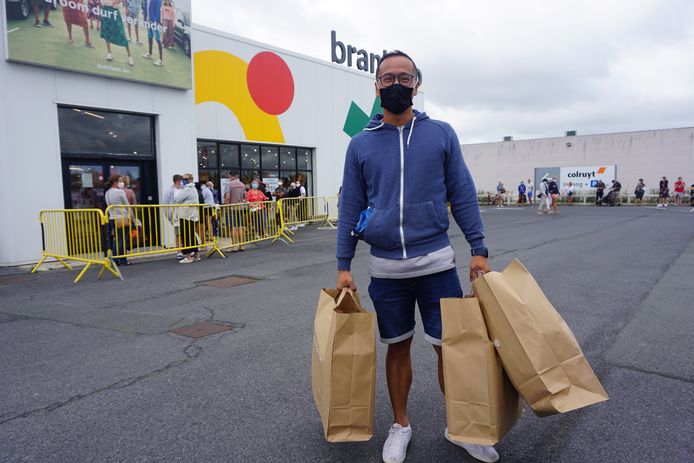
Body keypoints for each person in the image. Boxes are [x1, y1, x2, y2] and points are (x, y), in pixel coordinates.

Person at [335, 50, 495, 463]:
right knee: (398, 348)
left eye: (403, 78)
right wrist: (343, 266)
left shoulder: (440, 133)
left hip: (437, 264)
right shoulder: (361, 145)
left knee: (450, 349)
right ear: (376, 87)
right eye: (386, 79)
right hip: (386, 269)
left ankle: (462, 426)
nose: (395, 85)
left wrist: (478, 249)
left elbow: (461, 193)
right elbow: (350, 208)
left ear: (417, 84)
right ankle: (400, 425)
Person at [104, 175, 131, 266]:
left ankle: (122, 260)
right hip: (122, 218)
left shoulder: (107, 192)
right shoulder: (120, 192)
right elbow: (127, 205)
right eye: (120, 181)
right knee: (121, 239)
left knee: (118, 239)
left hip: (112, 218)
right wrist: (133, 217)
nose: (121, 183)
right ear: (115, 182)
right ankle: (116, 260)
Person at [174, 173, 199, 263]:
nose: (182, 180)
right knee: (192, 235)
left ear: (189, 179)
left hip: (185, 215)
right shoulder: (194, 188)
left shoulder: (187, 189)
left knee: (186, 236)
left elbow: (177, 199)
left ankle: (188, 257)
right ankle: (196, 255)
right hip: (192, 215)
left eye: (184, 178)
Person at [100, 0, 134, 66]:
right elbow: (102, 2)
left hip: (115, 13)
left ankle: (129, 56)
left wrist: (113, 2)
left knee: (122, 34)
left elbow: (119, 3)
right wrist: (112, 2)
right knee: (107, 32)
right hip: (105, 11)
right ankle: (109, 53)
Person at [223, 172, 247, 251]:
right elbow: (244, 197)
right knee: (240, 226)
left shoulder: (229, 185)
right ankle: (241, 245)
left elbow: (227, 197)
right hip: (240, 207)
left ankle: (234, 246)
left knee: (233, 227)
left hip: (232, 208)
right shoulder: (242, 185)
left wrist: (226, 207)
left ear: (230, 176)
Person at [142, 0, 164, 66]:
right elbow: (146, 8)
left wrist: (155, 21)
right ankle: (150, 53)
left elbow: (158, 10)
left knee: (157, 39)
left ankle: (160, 60)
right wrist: (144, 19)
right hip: (148, 20)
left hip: (154, 22)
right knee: (150, 36)